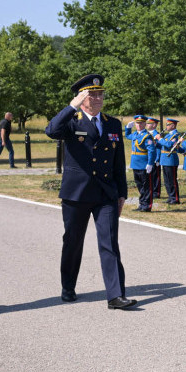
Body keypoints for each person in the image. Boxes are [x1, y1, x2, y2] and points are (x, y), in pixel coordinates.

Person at [44, 75, 136, 309]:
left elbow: (118, 161)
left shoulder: (112, 123)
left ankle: (115, 295)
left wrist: (122, 193)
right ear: (81, 97)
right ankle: (68, 286)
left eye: (100, 94)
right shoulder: (71, 121)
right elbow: (51, 131)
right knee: (73, 242)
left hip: (106, 193)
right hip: (77, 193)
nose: (97, 98)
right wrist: (72, 105)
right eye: (91, 94)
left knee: (109, 242)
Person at [125, 115, 154, 212]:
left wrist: (150, 163)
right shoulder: (135, 134)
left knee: (146, 186)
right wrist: (128, 128)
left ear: (145, 124)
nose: (139, 125)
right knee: (139, 185)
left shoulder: (147, 136)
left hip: (143, 164)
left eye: (141, 123)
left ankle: (147, 206)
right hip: (135, 164)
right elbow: (127, 136)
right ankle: (142, 204)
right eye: (137, 123)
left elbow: (151, 151)